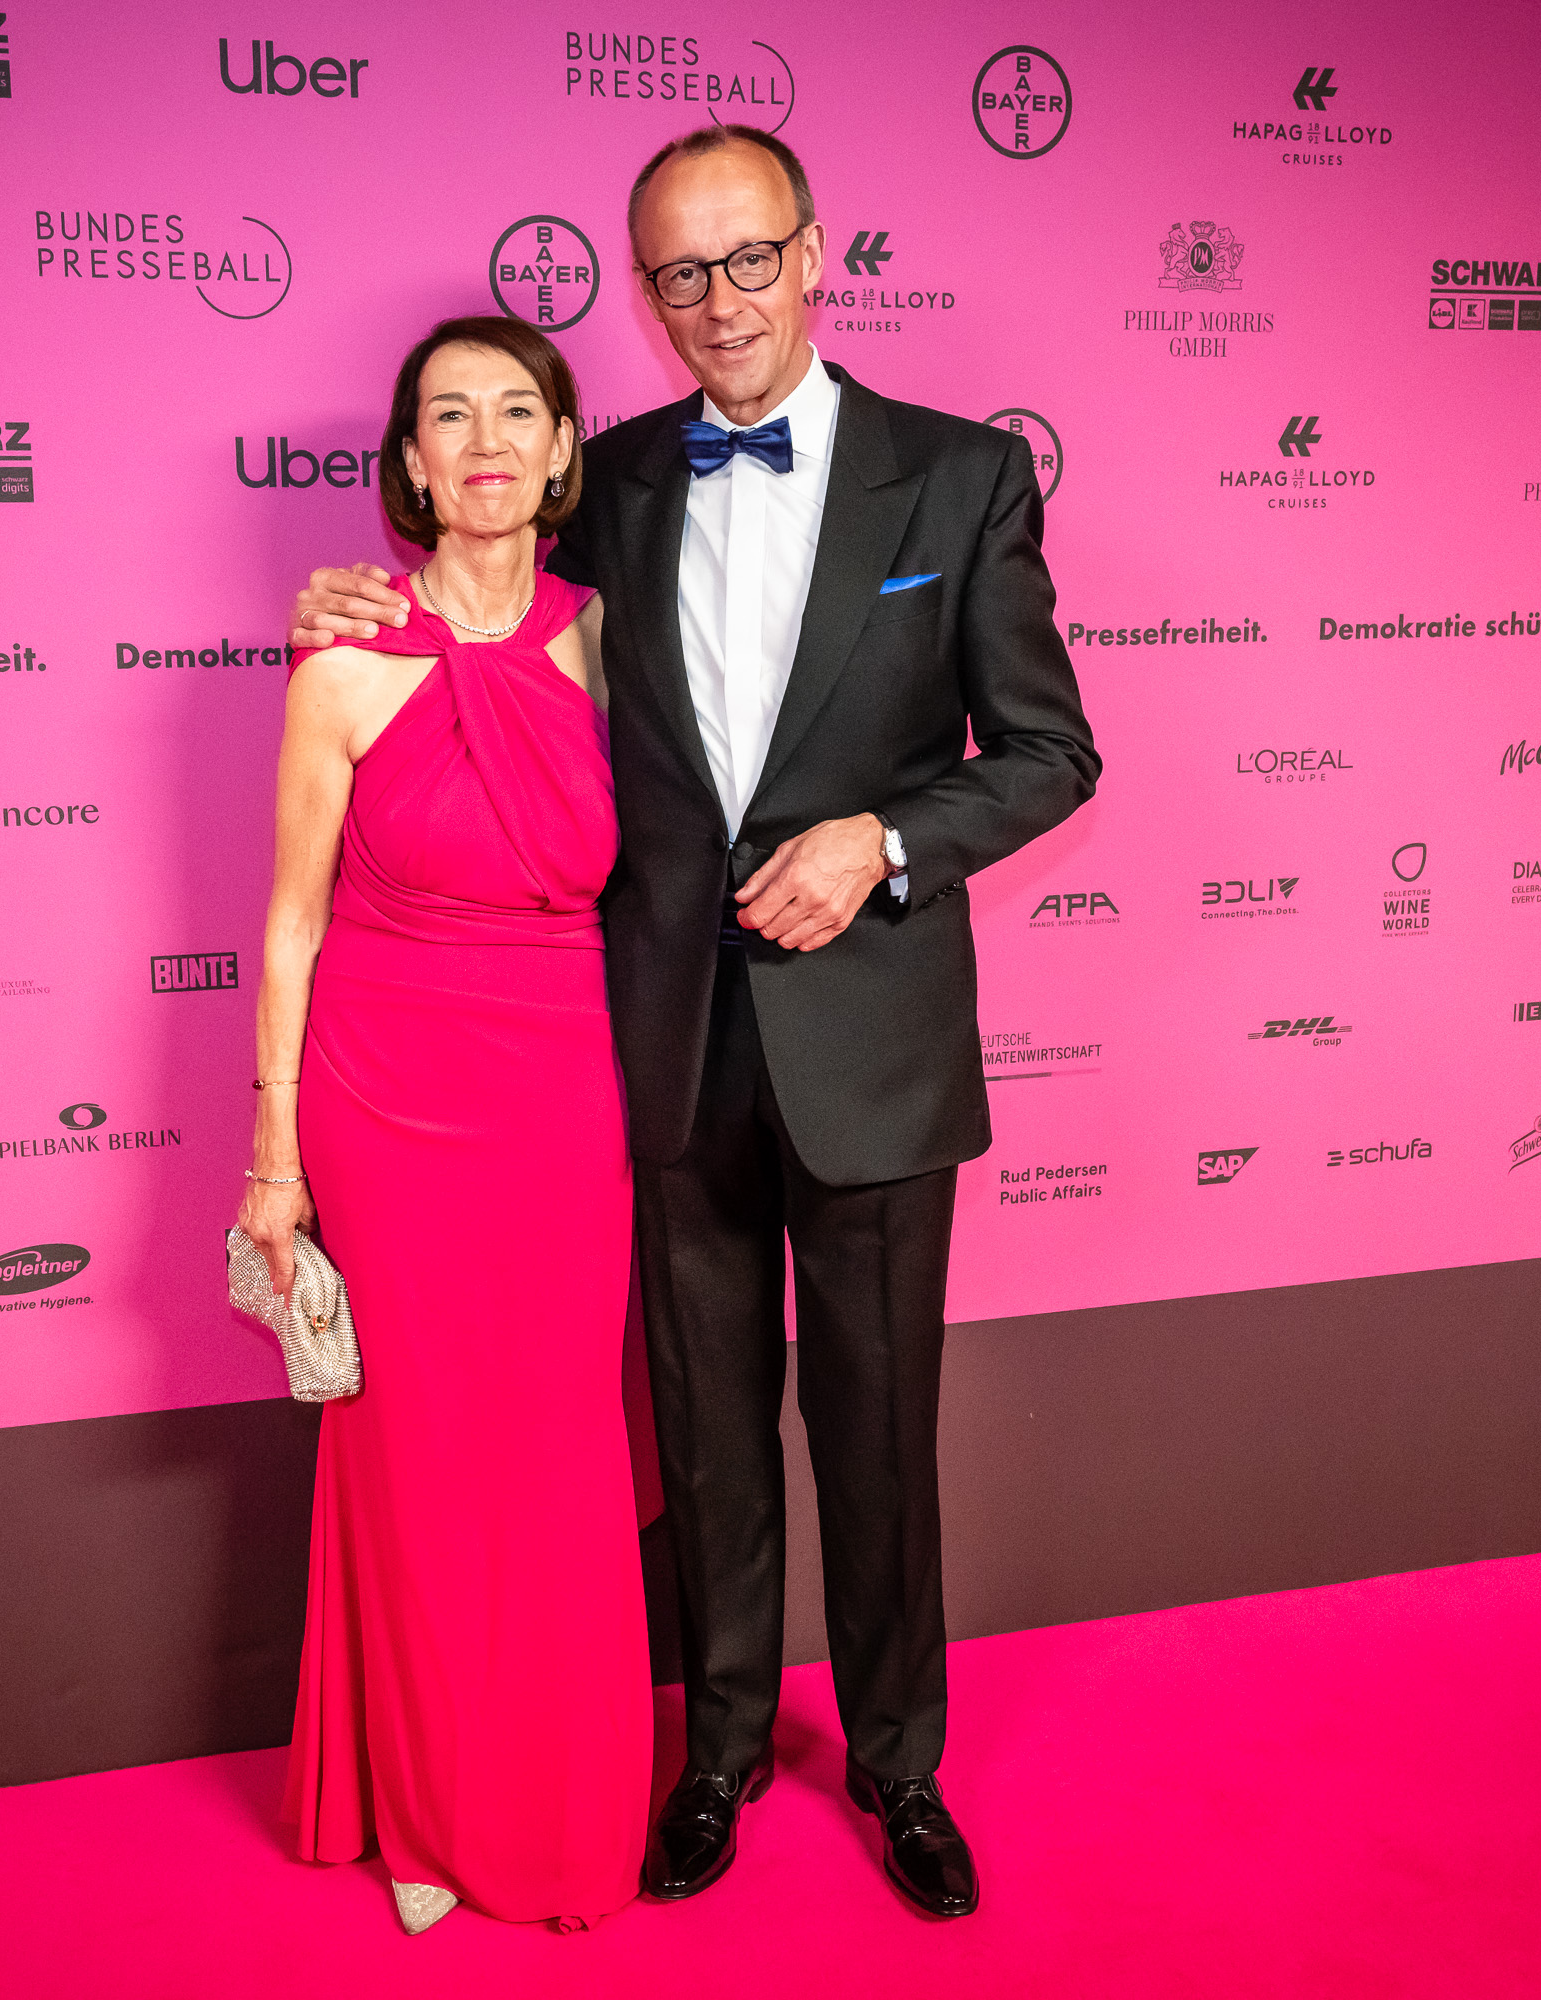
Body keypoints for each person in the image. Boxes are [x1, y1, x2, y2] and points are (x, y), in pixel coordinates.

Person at [290, 128, 1099, 1920]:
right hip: (650, 1046)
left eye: (746, 260)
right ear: (646, 297)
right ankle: (718, 1745)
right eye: (677, 274)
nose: (717, 301)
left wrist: (886, 842)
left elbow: (1050, 751)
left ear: (814, 255)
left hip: (871, 1042)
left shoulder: (961, 477)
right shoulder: (613, 483)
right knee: (708, 1426)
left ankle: (898, 1763)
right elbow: (475, 600)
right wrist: (340, 603)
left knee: (878, 1429)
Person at [238, 315, 648, 1934]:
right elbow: (291, 924)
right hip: (385, 1097)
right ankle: (421, 1808)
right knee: (413, 1460)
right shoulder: (343, 660)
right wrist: (275, 1157)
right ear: (411, 460)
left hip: (564, 1095)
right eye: (449, 416)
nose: (485, 441)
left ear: (563, 449)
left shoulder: (617, 642)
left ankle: (553, 1786)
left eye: (516, 411)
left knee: (552, 1450)